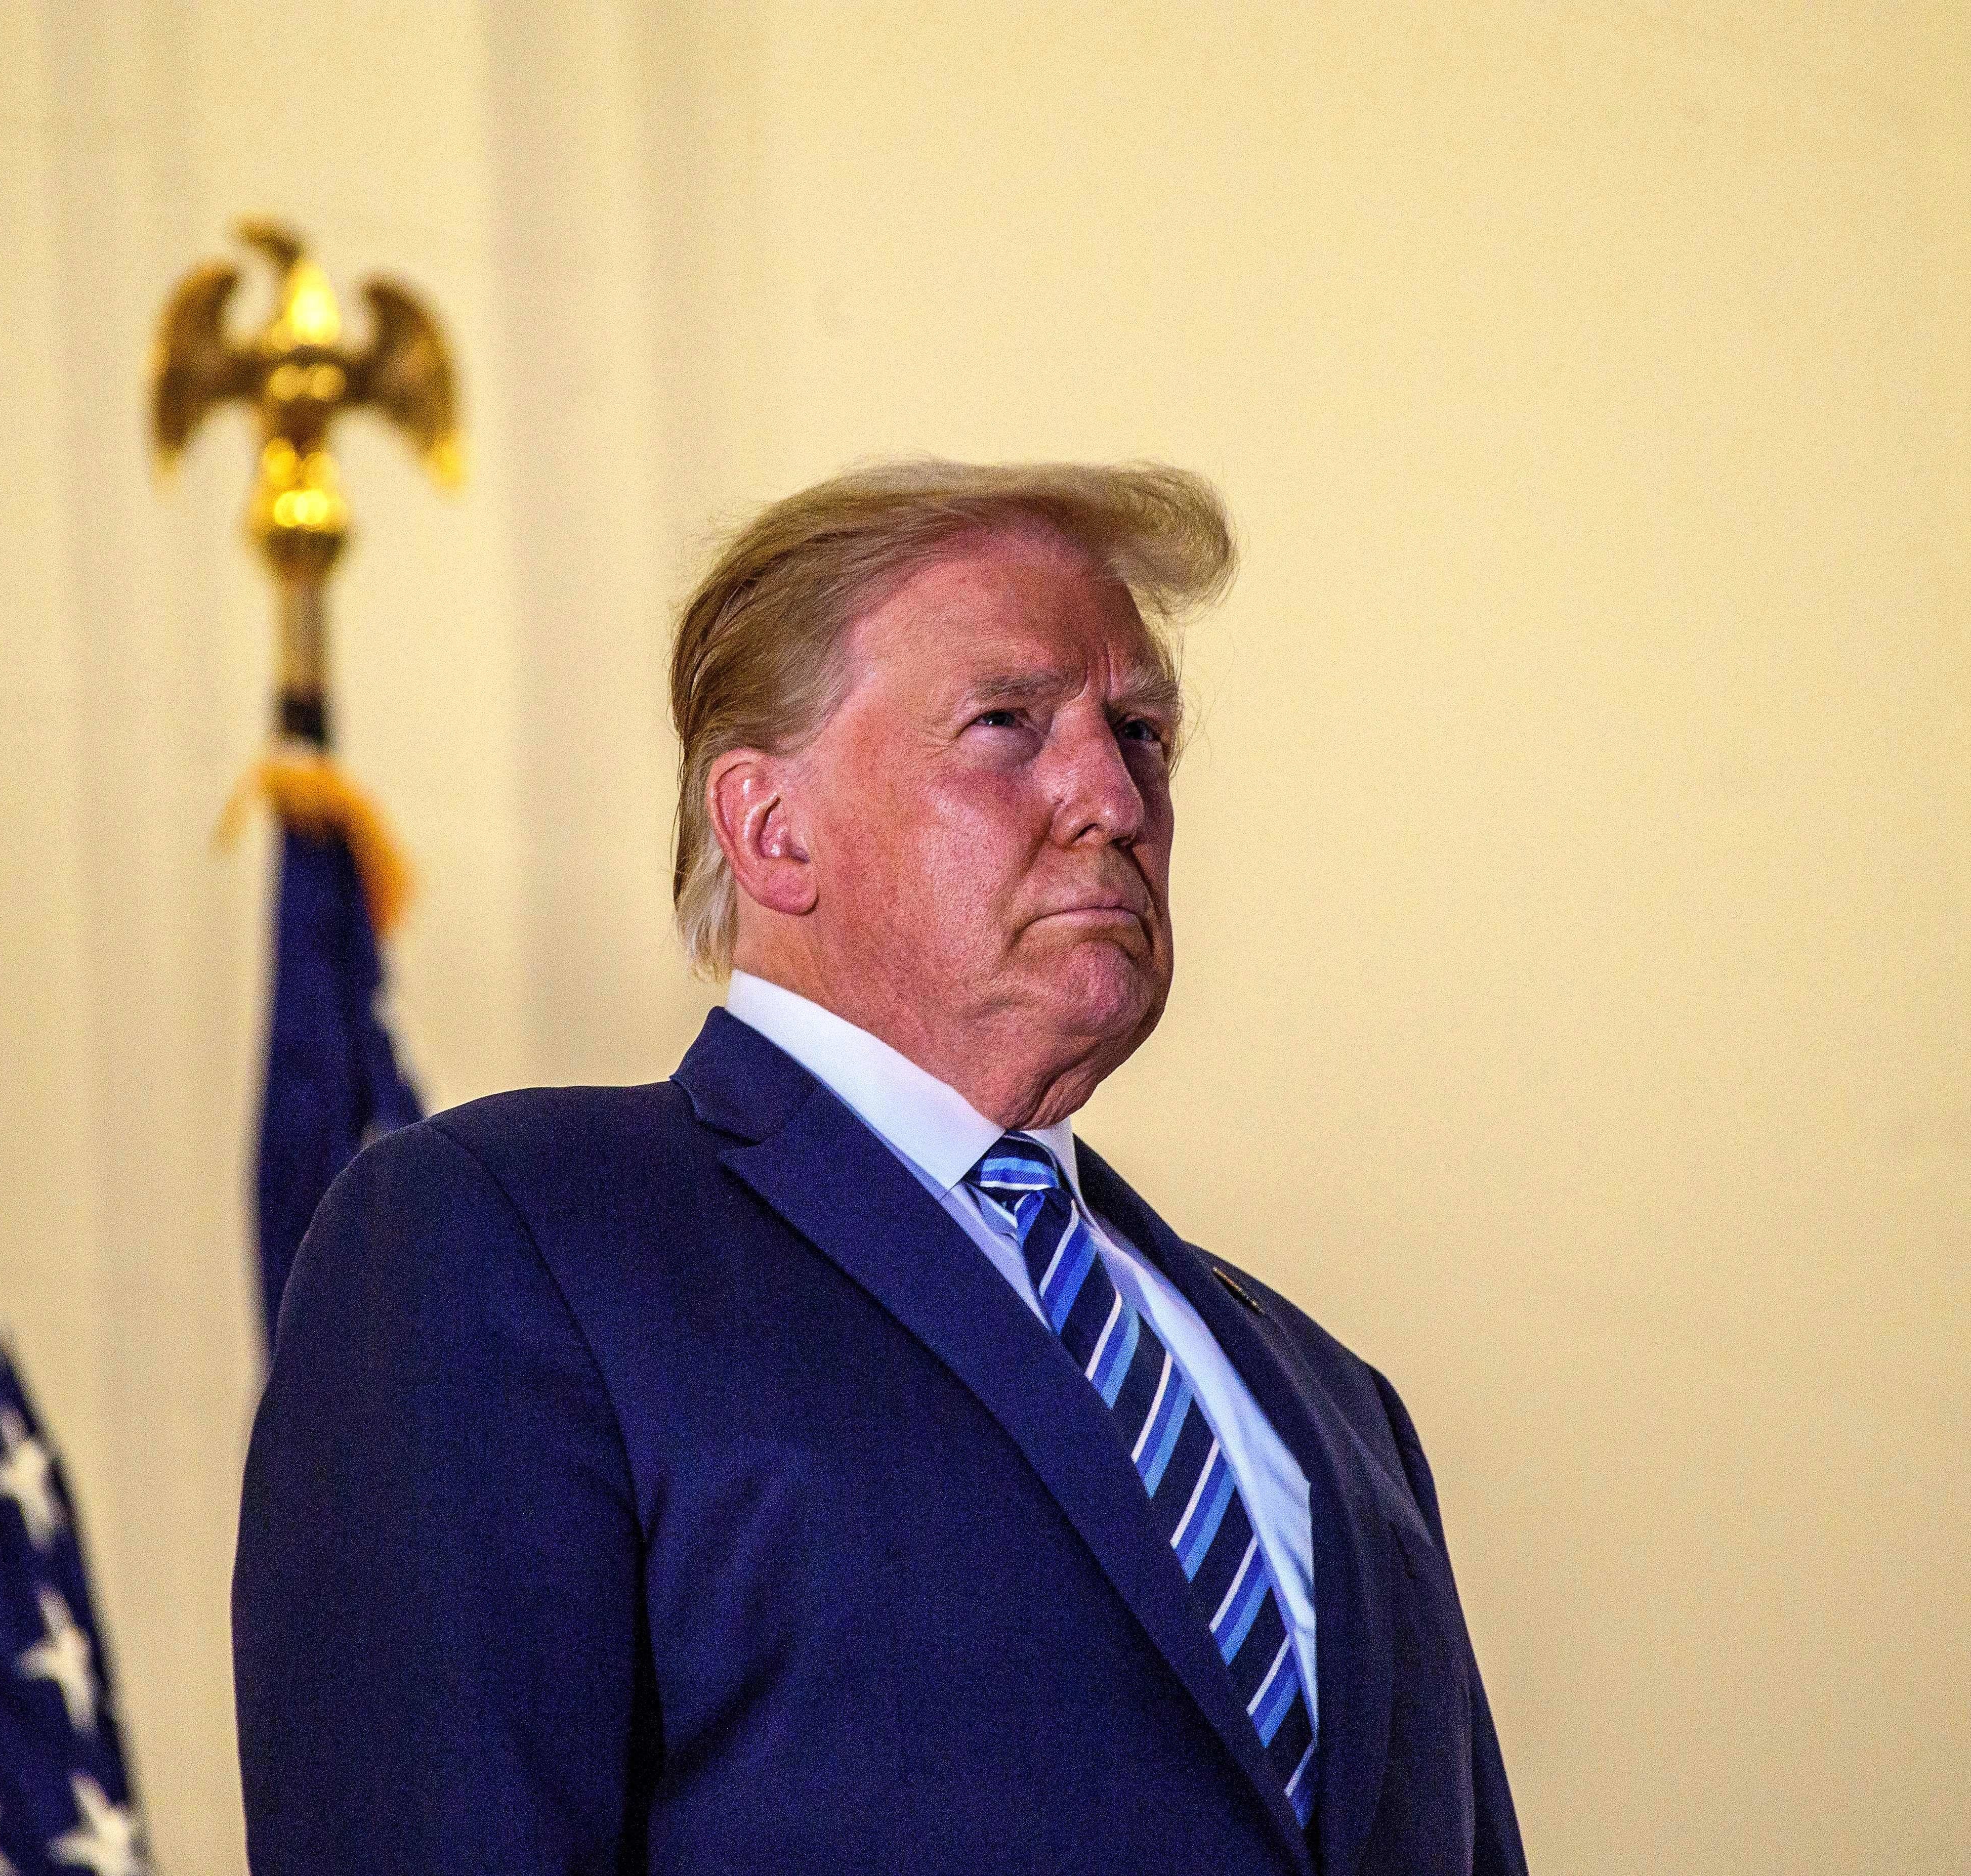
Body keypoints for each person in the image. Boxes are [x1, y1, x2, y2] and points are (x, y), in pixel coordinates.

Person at [232, 459, 1529, 1874]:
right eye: (1006, 725)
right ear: (770, 829)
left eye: (1141, 732)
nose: (1110, 795)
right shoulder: (512, 1232)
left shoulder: (1339, 1405)